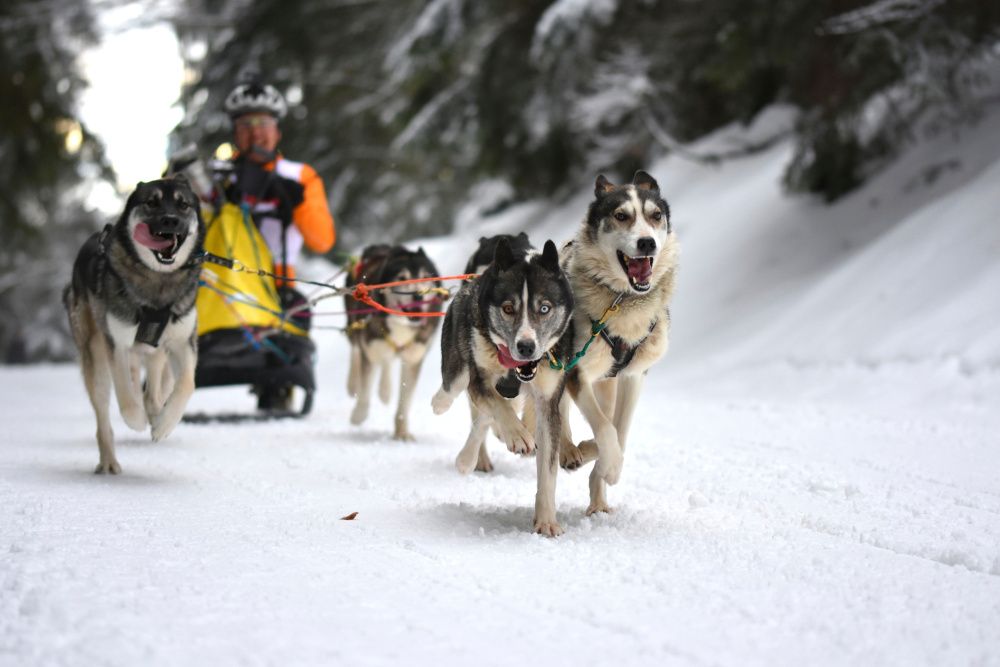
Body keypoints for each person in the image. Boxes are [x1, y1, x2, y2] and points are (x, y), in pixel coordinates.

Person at [218, 78, 336, 410]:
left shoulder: (300, 175)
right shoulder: (218, 175)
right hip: (221, 284)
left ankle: (278, 387)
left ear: (278, 131)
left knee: (296, 308)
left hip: (276, 283)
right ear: (234, 132)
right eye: (246, 124)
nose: (256, 132)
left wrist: (294, 200)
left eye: (264, 123)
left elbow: (322, 240)